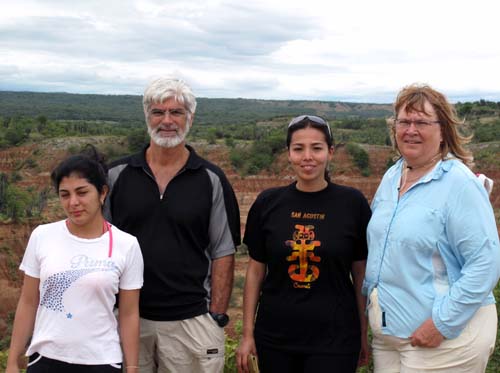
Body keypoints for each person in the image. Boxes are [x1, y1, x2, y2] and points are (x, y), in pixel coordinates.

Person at [105, 77, 241, 373]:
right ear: (147, 116)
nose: (167, 121)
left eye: (176, 112)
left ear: (190, 118)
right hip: (126, 318)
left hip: (190, 322)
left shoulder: (211, 180)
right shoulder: (116, 176)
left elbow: (223, 251)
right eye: (158, 112)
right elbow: (98, 243)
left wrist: (215, 315)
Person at [363, 84, 500, 372]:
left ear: (443, 131)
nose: (411, 129)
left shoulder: (459, 184)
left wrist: (442, 323)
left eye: (422, 122)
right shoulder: (393, 175)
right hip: (390, 334)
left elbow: (485, 263)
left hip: (445, 339)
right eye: (404, 121)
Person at [236, 115, 371, 373]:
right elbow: (255, 272)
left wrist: (363, 333)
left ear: (330, 152)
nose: (307, 156)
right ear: (288, 153)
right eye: (298, 148)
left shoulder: (352, 204)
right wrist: (247, 334)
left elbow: (360, 274)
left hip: (335, 338)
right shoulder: (268, 203)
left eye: (317, 148)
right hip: (274, 338)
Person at [6, 146, 144, 373]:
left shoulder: (126, 245)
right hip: (46, 360)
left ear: (102, 193)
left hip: (102, 361)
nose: (73, 203)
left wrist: (132, 366)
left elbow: (129, 313)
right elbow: (28, 301)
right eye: (65, 194)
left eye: (82, 192)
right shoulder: (43, 236)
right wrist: (12, 360)